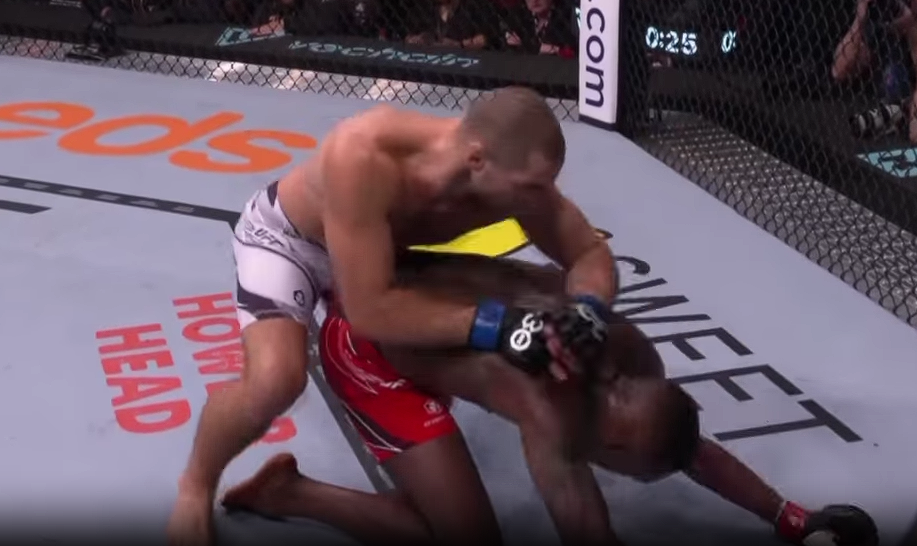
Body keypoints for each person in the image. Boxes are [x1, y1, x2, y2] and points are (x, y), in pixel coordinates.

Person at [166, 87, 619, 546]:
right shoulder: (366, 154)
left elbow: (588, 252)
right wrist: (497, 326)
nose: (543, 199)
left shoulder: (517, 182)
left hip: (378, 261)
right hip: (293, 244)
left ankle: (295, 492)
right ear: (477, 160)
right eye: (531, 187)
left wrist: (590, 309)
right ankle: (195, 484)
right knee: (275, 380)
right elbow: (370, 311)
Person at [220, 252, 880, 546]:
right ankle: (292, 494)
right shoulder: (547, 419)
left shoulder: (629, 356)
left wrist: (789, 515)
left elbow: (688, 448)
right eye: (628, 470)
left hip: (419, 302)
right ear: (610, 446)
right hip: (369, 347)